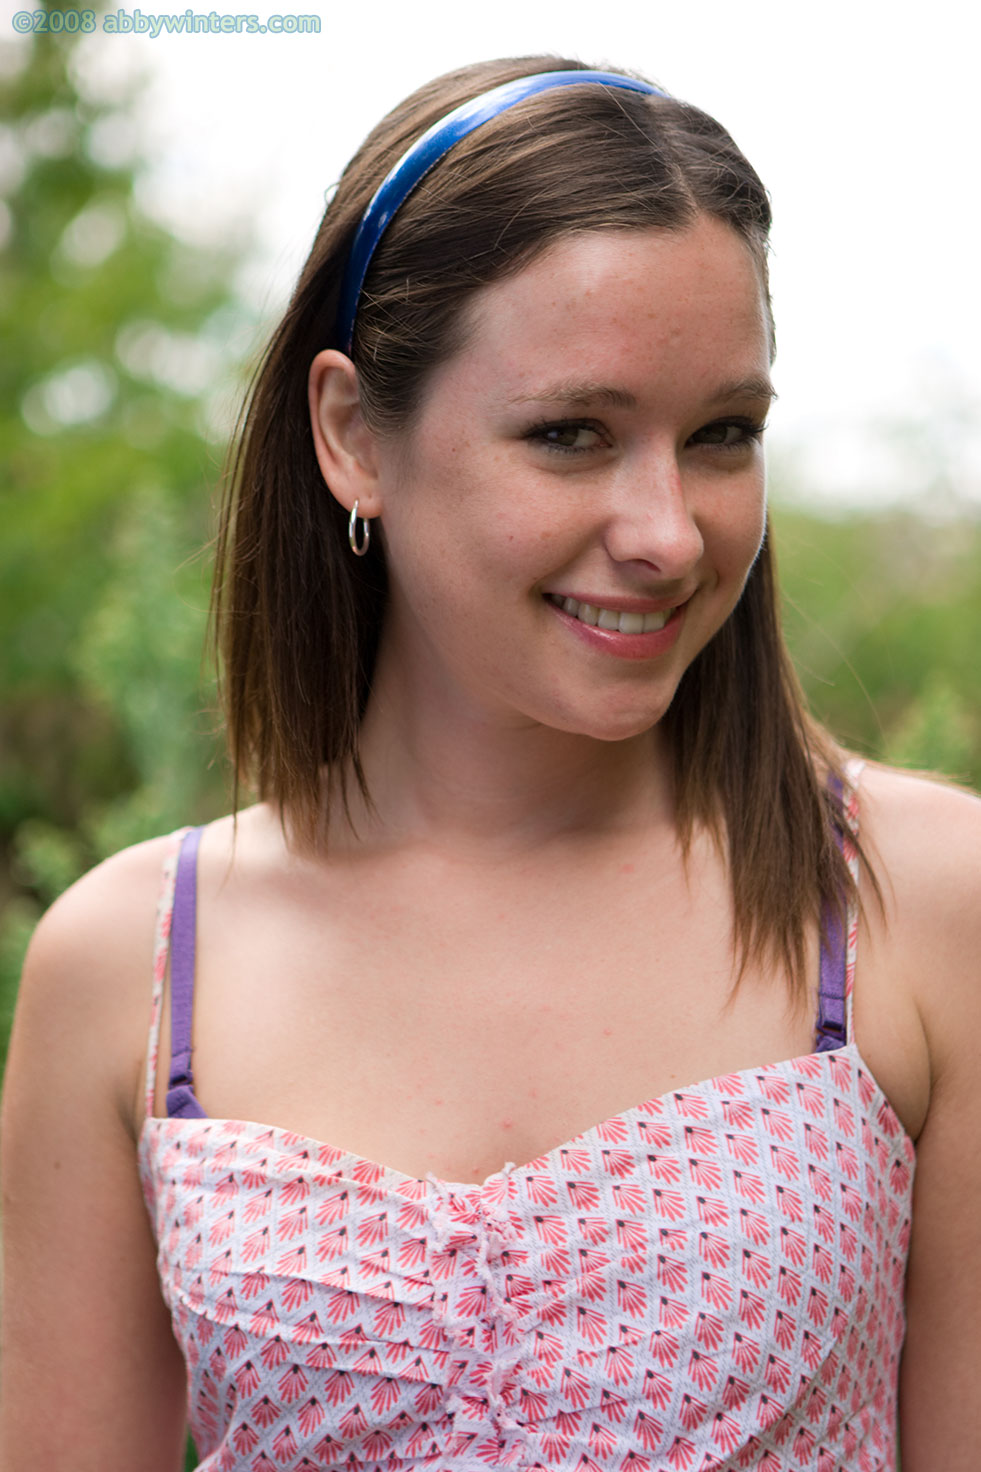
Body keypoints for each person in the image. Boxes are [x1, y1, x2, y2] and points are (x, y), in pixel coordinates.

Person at [1, 54, 978, 1472]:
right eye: (570, 434)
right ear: (353, 436)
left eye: (722, 435)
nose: (668, 532)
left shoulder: (917, 906)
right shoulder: (136, 965)